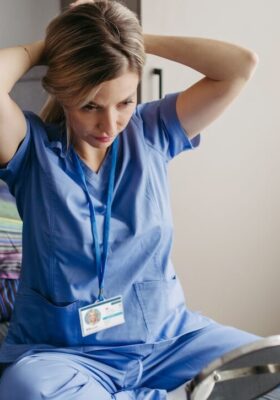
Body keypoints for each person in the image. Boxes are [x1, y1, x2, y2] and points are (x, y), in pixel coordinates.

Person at [0, 0, 278, 399]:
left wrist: (126, 40)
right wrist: (54, 46)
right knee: (27, 390)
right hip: (66, 357)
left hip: (170, 342)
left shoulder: (152, 131)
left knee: (272, 371)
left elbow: (239, 65)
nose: (109, 124)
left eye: (125, 102)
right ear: (63, 92)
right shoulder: (33, 153)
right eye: (91, 105)